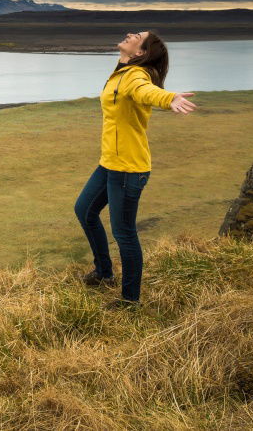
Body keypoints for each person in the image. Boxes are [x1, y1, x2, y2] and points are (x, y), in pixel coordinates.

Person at [73, 30, 198, 310]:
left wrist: (169, 98)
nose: (130, 34)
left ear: (141, 53)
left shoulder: (135, 77)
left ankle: (130, 300)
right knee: (84, 210)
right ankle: (104, 273)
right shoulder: (122, 71)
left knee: (124, 233)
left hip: (129, 169)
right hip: (109, 163)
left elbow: (146, 91)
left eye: (137, 36)